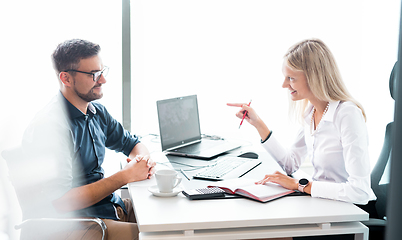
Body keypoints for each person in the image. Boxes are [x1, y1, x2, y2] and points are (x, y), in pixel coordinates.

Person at [5, 39, 155, 240]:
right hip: (74, 224)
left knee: (171, 223)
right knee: (158, 235)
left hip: (107, 208)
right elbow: (62, 201)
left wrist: (143, 162)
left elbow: (133, 144)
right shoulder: (50, 128)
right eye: (94, 74)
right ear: (66, 78)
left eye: (102, 71)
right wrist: (125, 176)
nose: (102, 80)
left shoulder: (96, 112)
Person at [228, 38, 376, 206]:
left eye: (291, 78)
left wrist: (300, 185)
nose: (284, 85)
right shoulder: (310, 113)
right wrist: (258, 123)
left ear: (314, 77)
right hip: (324, 204)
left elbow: (360, 192)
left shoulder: (347, 114)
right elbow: (290, 165)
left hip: (350, 210)